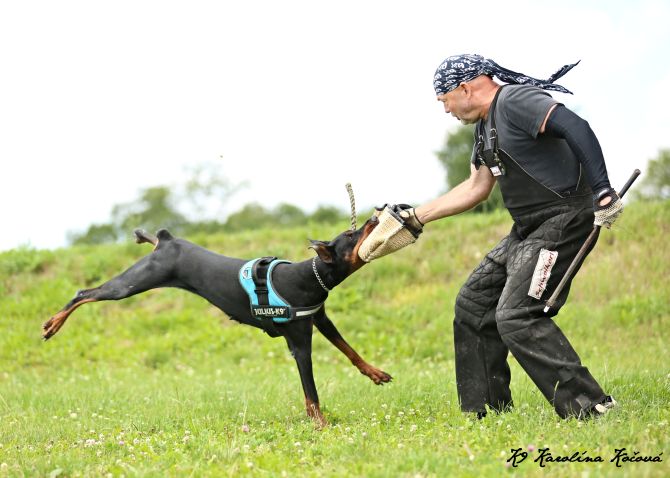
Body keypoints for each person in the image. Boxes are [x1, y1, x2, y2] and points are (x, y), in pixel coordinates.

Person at [388, 54, 623, 419]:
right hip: (528, 227)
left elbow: (575, 126)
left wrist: (603, 190)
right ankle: (487, 412)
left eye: (444, 100)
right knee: (473, 304)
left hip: (564, 218)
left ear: (464, 88)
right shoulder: (485, 127)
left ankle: (589, 406)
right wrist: (416, 217)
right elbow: (476, 188)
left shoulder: (514, 100)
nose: (446, 110)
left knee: (517, 314)